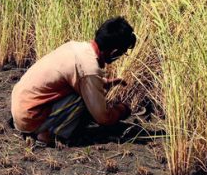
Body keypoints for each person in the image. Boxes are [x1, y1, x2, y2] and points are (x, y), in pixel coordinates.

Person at [11, 16, 137, 145]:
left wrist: (103, 82)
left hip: (20, 111)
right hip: (31, 118)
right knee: (85, 99)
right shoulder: (89, 68)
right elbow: (103, 118)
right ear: (114, 51)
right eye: (122, 53)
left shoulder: (75, 47)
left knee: (86, 95)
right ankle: (48, 134)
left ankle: (43, 127)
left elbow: (68, 80)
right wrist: (122, 110)